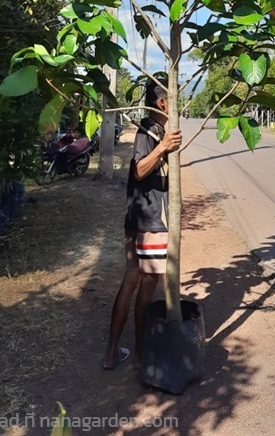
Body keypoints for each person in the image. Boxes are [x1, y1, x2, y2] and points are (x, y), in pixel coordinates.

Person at [103, 81, 182, 370]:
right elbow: (138, 170)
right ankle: (139, 353)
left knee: (131, 281)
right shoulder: (150, 131)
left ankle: (114, 354)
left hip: (138, 219)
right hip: (149, 223)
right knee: (144, 288)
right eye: (175, 100)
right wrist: (163, 147)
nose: (179, 107)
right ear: (163, 103)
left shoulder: (157, 131)